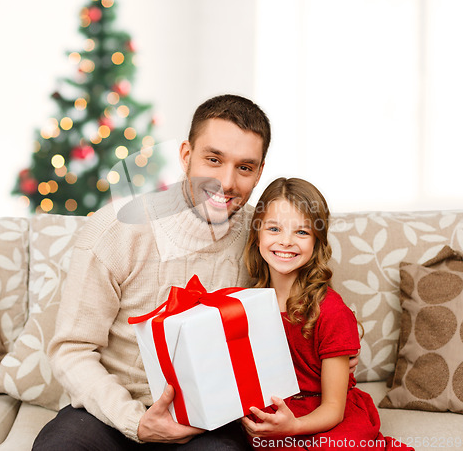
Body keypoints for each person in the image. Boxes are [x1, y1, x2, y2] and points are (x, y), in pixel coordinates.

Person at [33, 95, 358, 450]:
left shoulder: (266, 236)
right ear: (186, 155)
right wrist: (135, 422)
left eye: (245, 168)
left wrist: (338, 352)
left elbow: (306, 302)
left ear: (260, 172)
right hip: (111, 412)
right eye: (213, 160)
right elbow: (71, 349)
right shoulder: (115, 229)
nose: (226, 182)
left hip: (211, 420)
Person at [240, 177, 413, 451]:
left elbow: (333, 407)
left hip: (330, 415)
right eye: (274, 228)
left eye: (301, 232)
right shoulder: (247, 305)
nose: (286, 241)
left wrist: (294, 426)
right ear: (257, 234)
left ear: (317, 241)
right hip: (282, 411)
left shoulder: (331, 311)